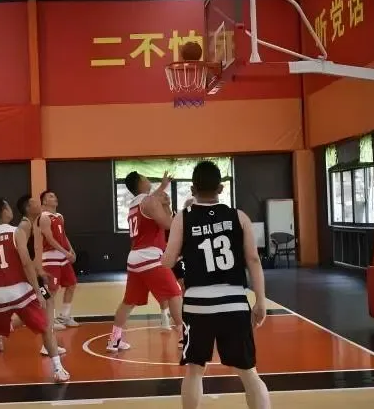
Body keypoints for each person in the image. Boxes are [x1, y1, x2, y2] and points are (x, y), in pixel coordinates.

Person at [161, 161, 270, 409]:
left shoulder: (183, 218)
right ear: (221, 188)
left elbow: (167, 261)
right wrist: (261, 301)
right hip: (234, 303)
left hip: (197, 305)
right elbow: (253, 260)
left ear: (192, 189)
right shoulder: (239, 216)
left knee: (194, 371)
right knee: (249, 373)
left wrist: (182, 253)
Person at [0, 198, 69, 385]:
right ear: (4, 210)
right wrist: (38, 289)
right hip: (22, 290)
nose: (10, 209)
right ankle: (58, 369)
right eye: (7, 206)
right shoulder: (17, 230)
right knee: (46, 325)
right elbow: (27, 262)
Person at [107, 171, 183, 352]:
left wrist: (163, 187)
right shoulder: (150, 201)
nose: (149, 180)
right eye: (146, 178)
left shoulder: (134, 204)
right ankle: (185, 335)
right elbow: (168, 224)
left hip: (134, 258)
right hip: (150, 257)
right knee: (175, 294)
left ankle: (114, 340)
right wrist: (168, 207)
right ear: (141, 182)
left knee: (128, 302)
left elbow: (152, 199)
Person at [16, 194, 67, 357]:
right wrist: (36, 273)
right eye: (34, 203)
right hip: (27, 275)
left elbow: (35, 251)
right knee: (45, 303)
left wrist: (39, 270)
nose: (38, 205)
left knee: (44, 304)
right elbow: (25, 255)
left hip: (33, 273)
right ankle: (47, 345)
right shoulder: (25, 225)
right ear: (28, 208)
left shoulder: (33, 223)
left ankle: (1, 330)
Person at [39, 190, 79, 329]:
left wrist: (71, 250)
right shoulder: (44, 217)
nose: (55, 197)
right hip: (50, 258)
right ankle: (49, 319)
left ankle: (64, 316)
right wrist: (65, 252)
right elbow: (50, 239)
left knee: (71, 284)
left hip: (62, 257)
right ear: (44, 201)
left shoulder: (59, 216)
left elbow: (63, 236)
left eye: (55, 195)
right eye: (51, 196)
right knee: (51, 290)